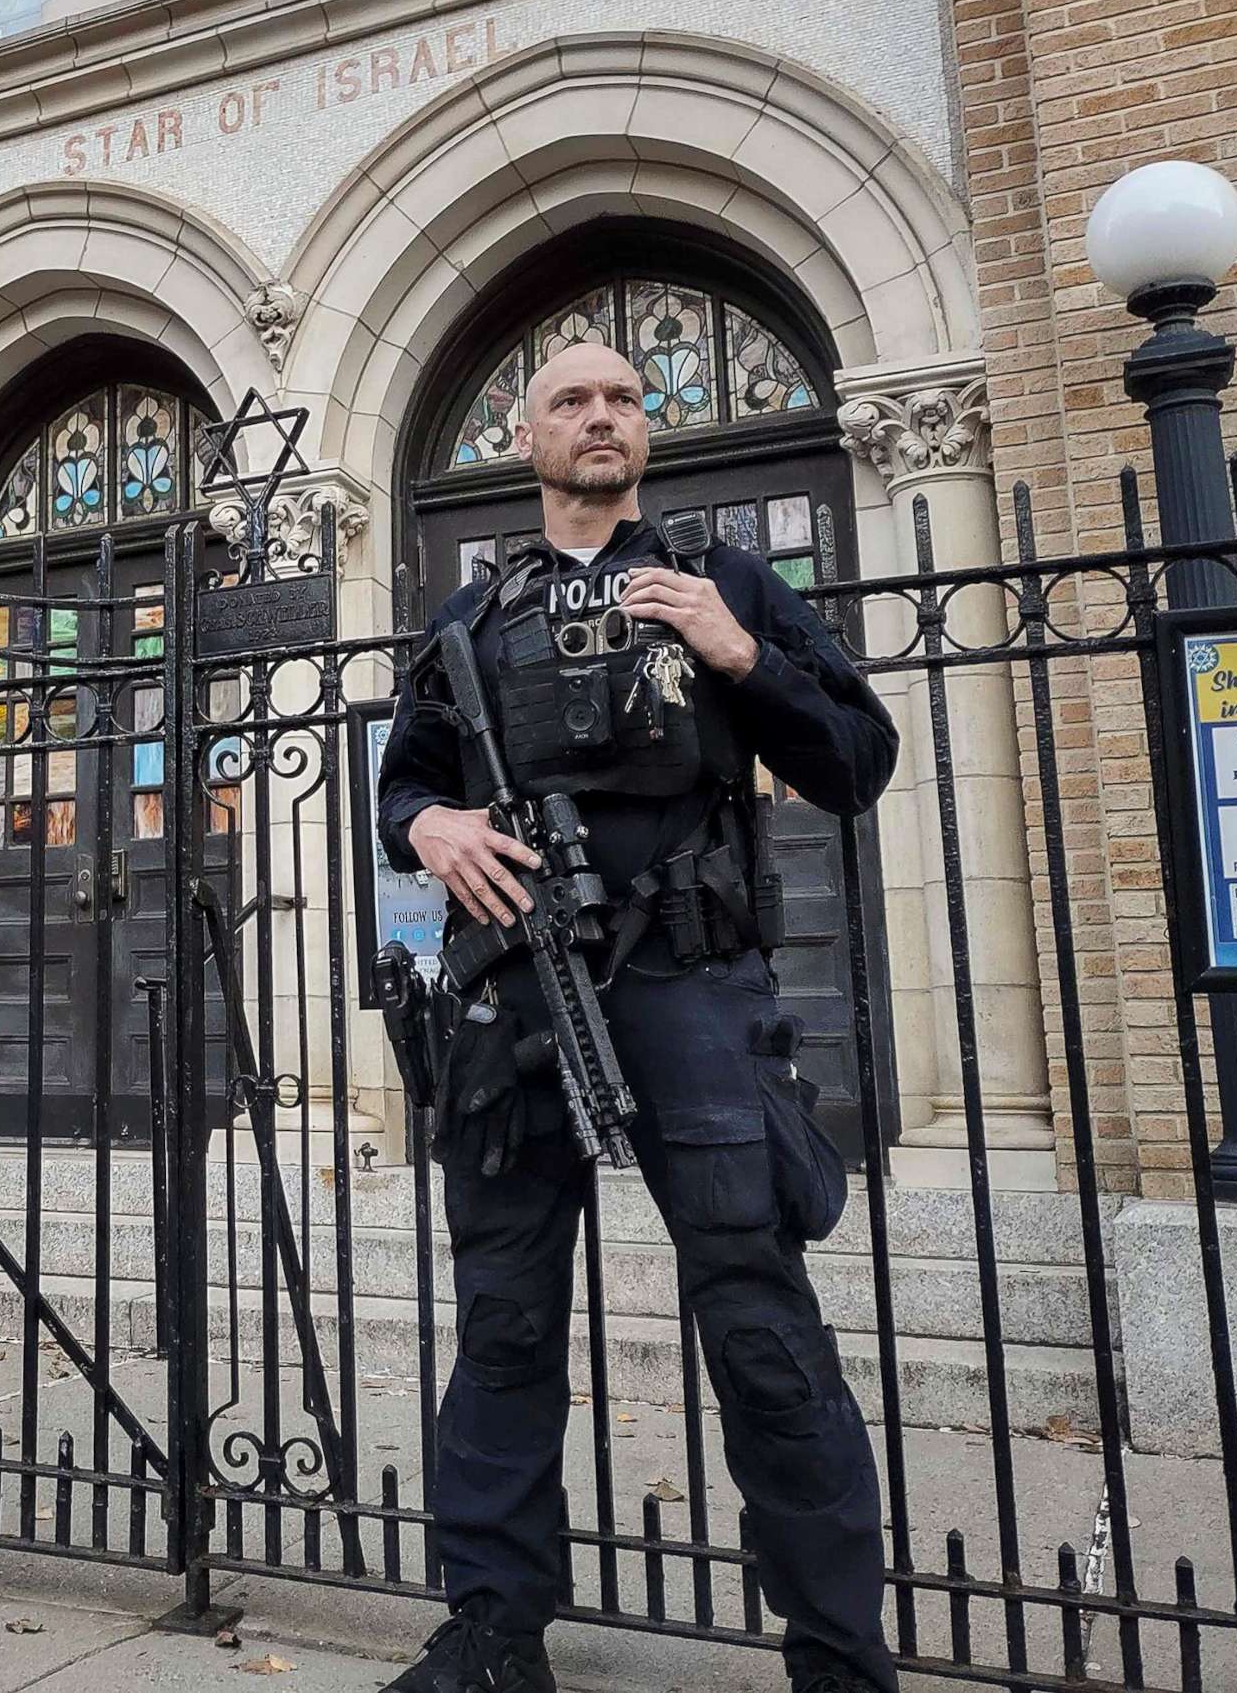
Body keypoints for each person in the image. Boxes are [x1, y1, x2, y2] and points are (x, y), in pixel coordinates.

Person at [374, 344, 900, 1693]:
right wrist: (429, 823)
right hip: (514, 994)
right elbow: (403, 791)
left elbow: (855, 760)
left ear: (643, 432)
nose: (600, 416)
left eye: (621, 399)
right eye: (570, 400)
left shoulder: (724, 581)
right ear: (525, 431)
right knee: (502, 1321)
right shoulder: (469, 621)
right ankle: (493, 1632)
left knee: (758, 1316)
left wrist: (743, 659)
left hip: (690, 986)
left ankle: (840, 1654)